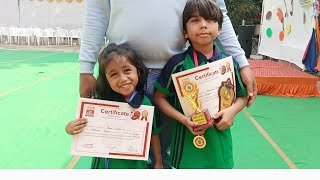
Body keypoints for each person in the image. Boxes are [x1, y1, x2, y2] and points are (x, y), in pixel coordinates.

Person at [78, 0, 256, 168]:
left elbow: (216, 9)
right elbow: (97, 11)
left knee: (163, 157)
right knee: (122, 151)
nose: (203, 24)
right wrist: (86, 68)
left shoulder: (181, 65)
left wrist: (242, 63)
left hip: (175, 78)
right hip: (123, 75)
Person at [153, 0, 248, 168]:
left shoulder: (229, 64)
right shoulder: (178, 64)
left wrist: (232, 112)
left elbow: (242, 97)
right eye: (195, 20)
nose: (203, 25)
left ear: (219, 29)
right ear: (185, 32)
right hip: (186, 146)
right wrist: (184, 120)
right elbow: (160, 98)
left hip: (220, 145)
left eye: (210, 20)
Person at [66, 43, 163, 169]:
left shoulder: (146, 104)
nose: (123, 79)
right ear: (106, 80)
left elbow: (154, 135)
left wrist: (159, 163)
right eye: (114, 74)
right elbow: (82, 126)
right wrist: (69, 128)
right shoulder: (100, 104)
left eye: (127, 70)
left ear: (138, 71)